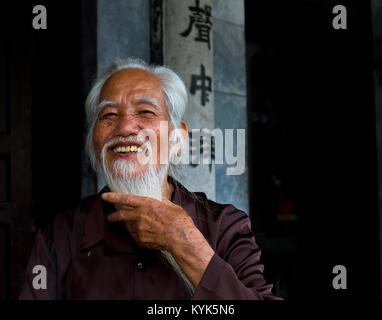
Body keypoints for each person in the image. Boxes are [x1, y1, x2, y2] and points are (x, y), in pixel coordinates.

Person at [19, 58, 280, 300]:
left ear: (177, 139)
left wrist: (186, 244)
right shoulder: (61, 233)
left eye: (145, 112)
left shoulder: (225, 226)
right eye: (109, 115)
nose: (124, 128)